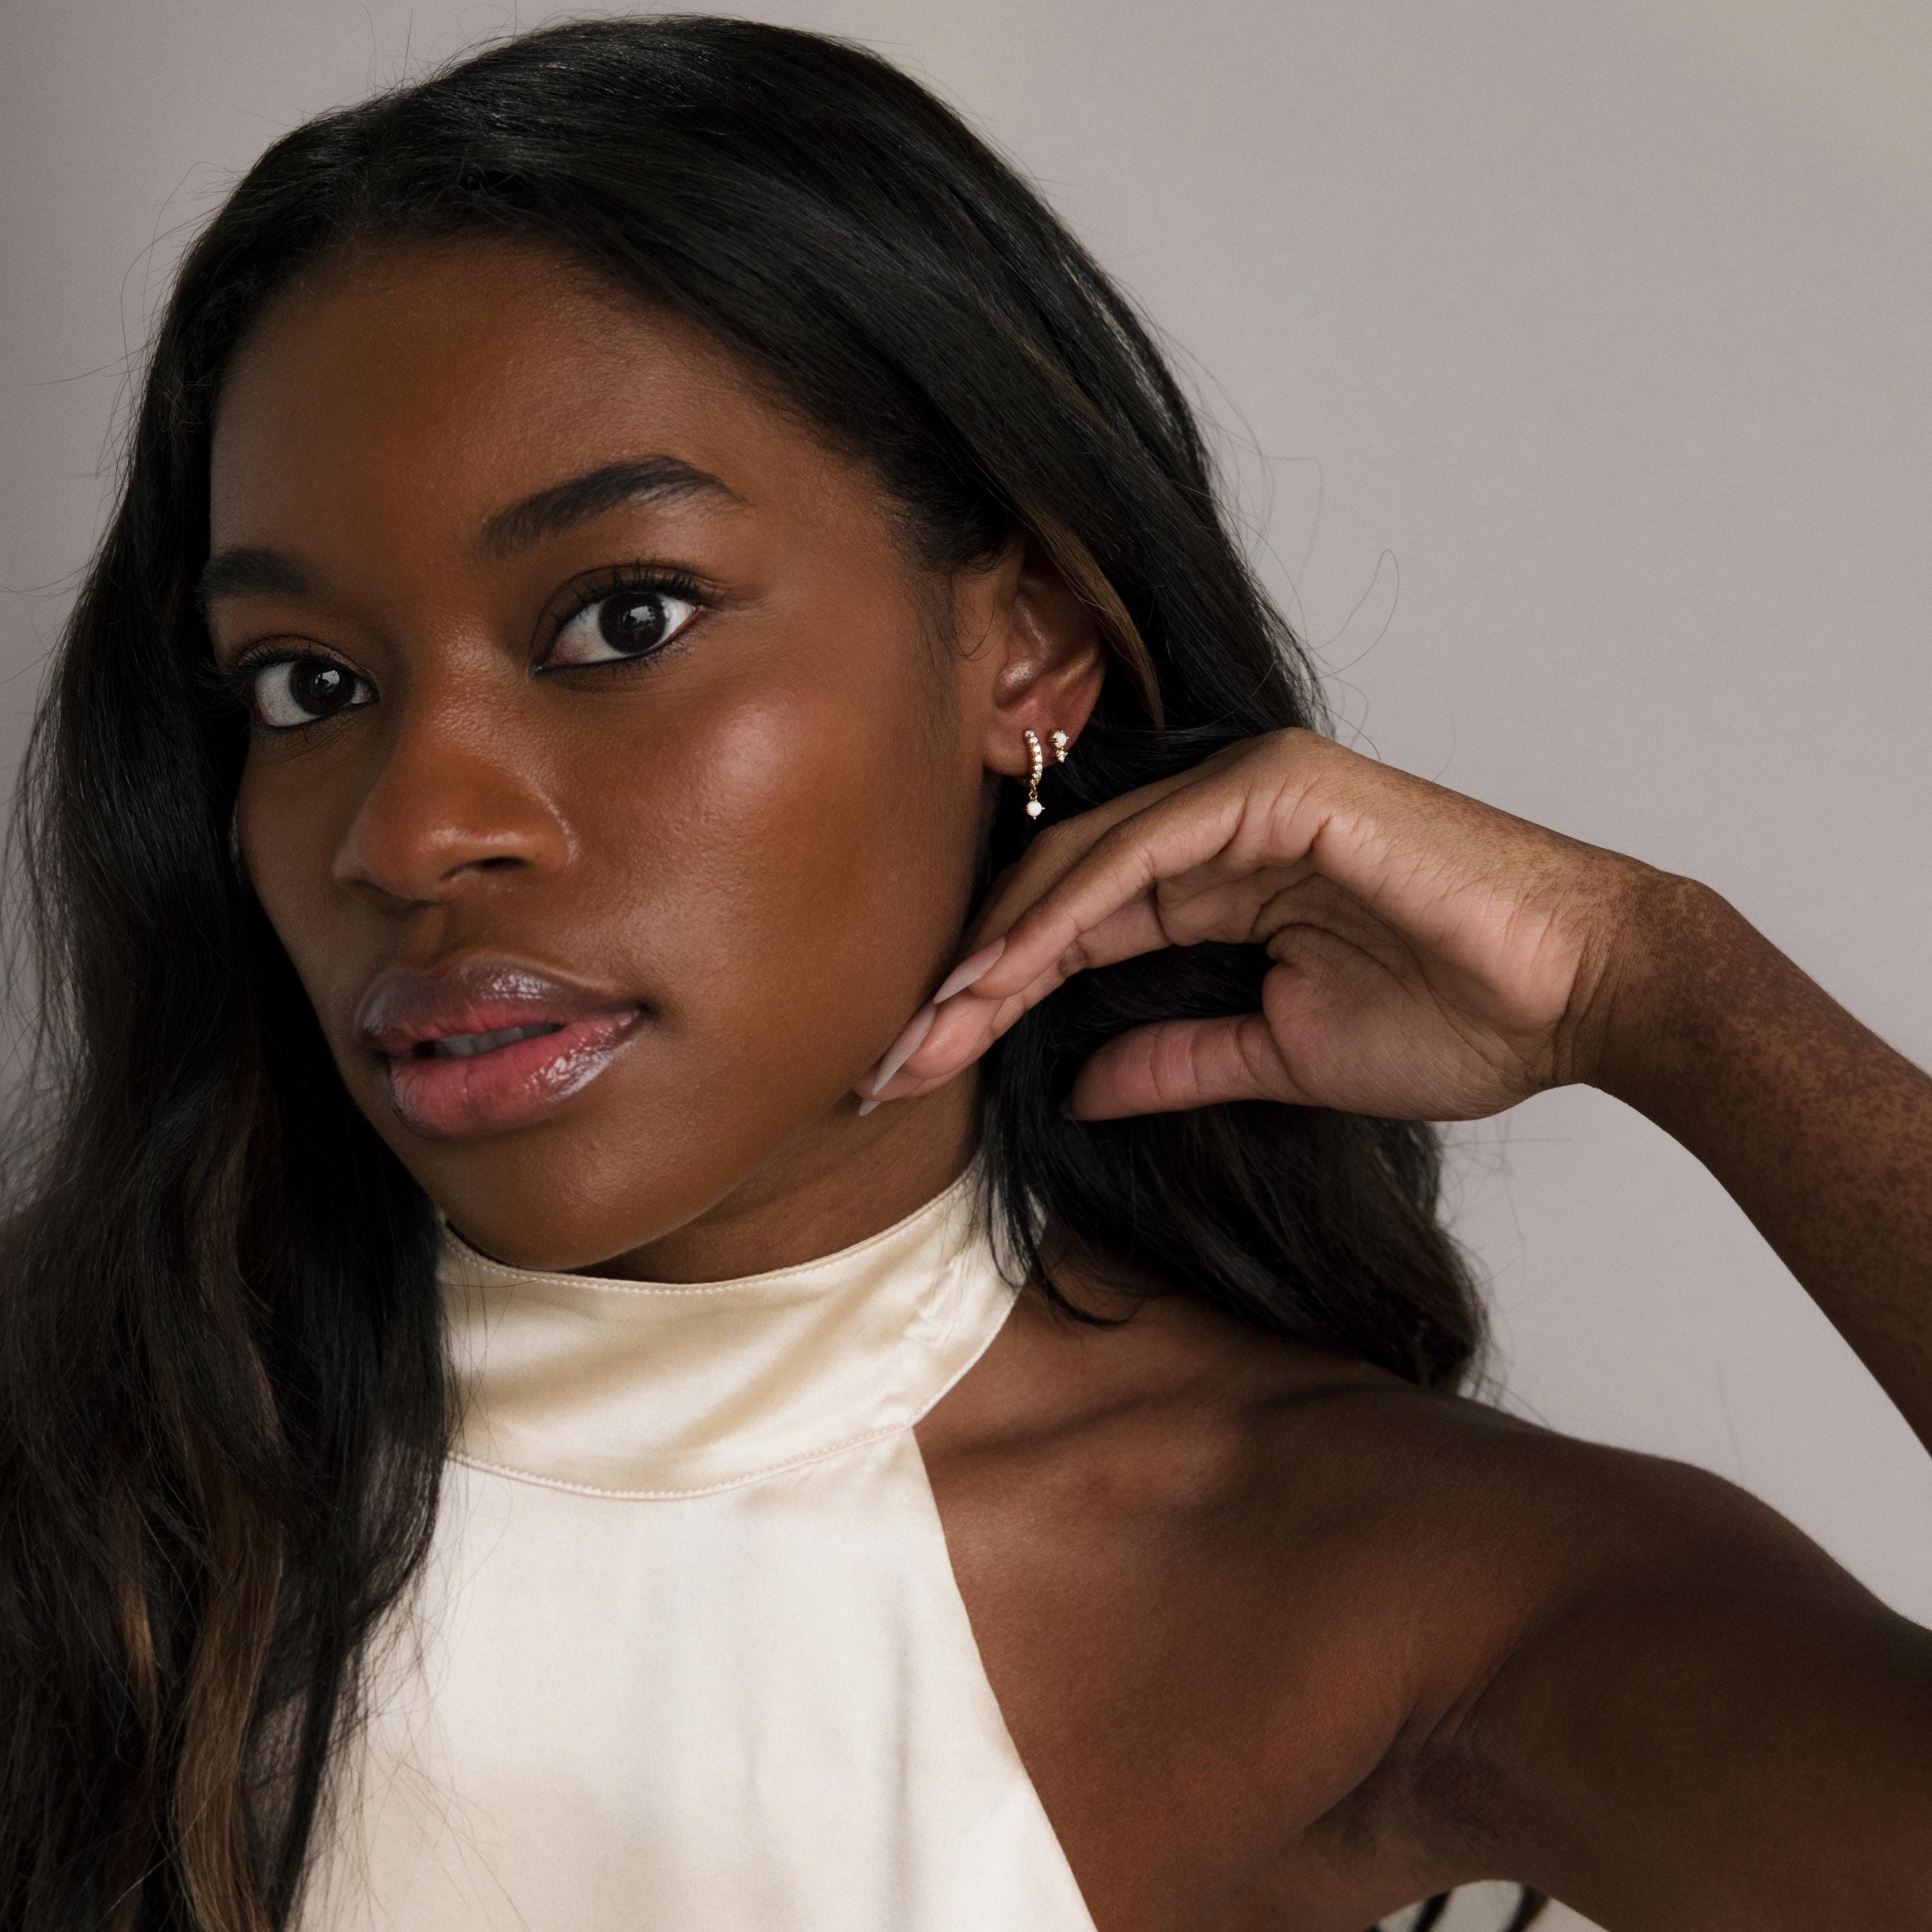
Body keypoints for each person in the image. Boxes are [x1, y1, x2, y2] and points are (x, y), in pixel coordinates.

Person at [1, 15, 1927, 1932]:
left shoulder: (1362, 1586)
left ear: (1026, 653)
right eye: (306, 687)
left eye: (622, 617)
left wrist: (1666, 989)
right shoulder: (77, 1494)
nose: (410, 832)